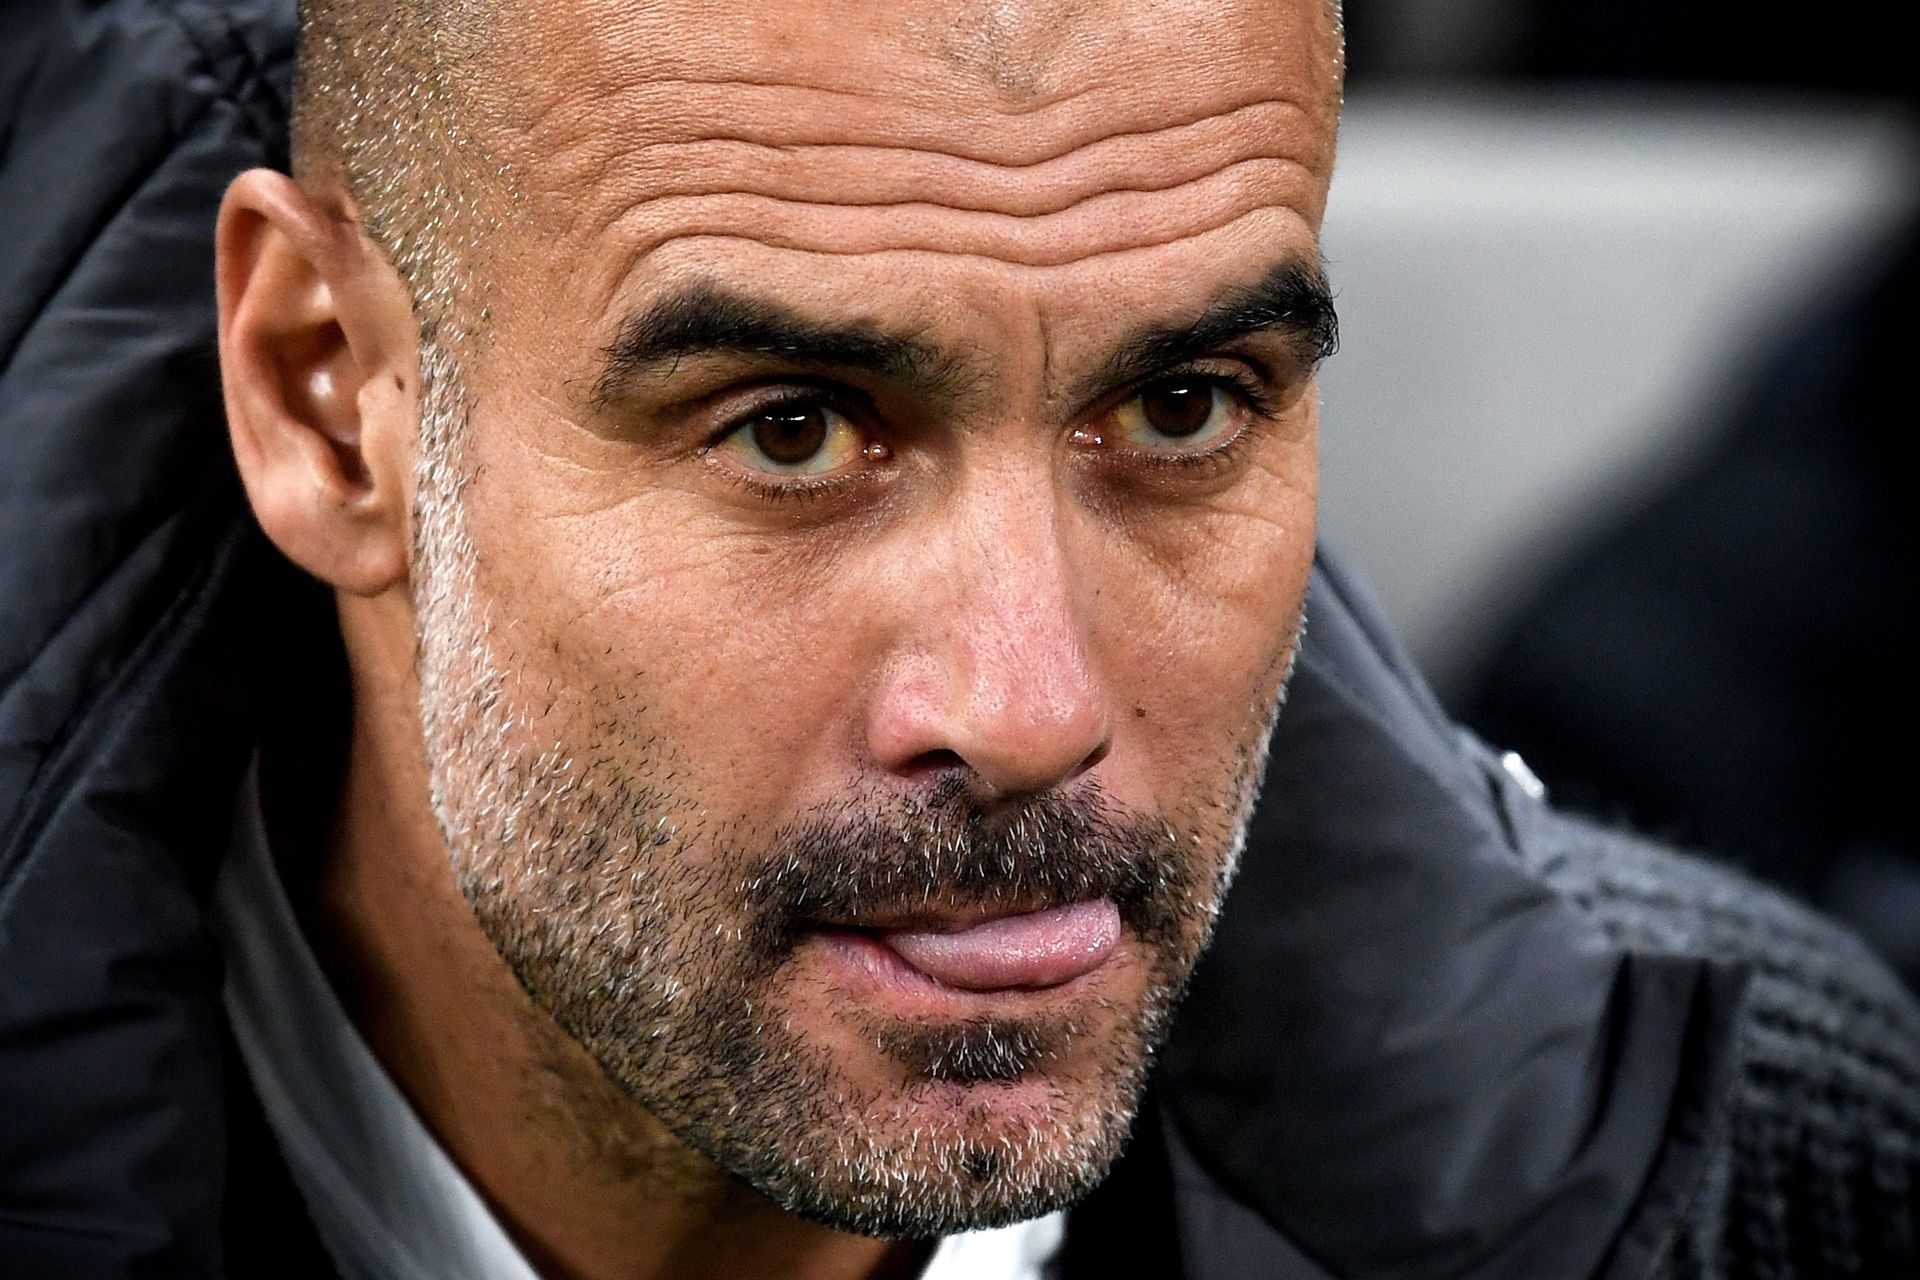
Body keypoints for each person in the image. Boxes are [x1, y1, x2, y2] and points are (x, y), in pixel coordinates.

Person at [1, 2, 1915, 1278]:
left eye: (1182, 408)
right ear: (327, 401)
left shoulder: (1783, 1177)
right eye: (791, 431)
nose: (1031, 708)